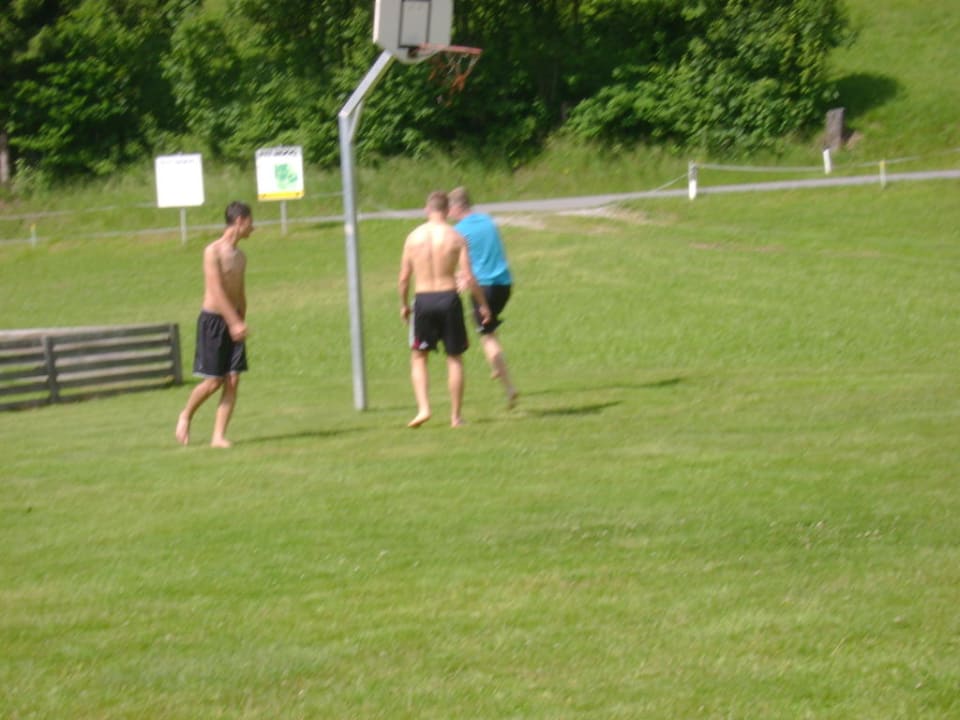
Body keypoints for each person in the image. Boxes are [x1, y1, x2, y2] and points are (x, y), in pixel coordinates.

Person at [399, 191, 491, 428]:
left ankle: (424, 408)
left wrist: (404, 304)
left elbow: (404, 278)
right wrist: (483, 305)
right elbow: (468, 277)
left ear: (426, 209)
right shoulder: (456, 237)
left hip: (423, 299)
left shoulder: (413, 237)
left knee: (419, 357)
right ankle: (455, 416)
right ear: (448, 211)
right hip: (449, 298)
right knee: (454, 357)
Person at [175, 201, 253, 448]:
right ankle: (186, 415)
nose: (253, 227)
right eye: (250, 222)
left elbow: (240, 292)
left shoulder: (241, 257)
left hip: (234, 321)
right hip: (214, 322)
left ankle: (218, 436)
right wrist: (233, 322)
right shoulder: (212, 252)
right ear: (239, 221)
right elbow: (216, 291)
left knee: (233, 379)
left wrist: (241, 320)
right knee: (213, 382)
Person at [447, 186, 518, 408]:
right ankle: (496, 366)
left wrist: (462, 278)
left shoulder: (458, 230)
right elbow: (488, 254)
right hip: (504, 284)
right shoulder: (488, 221)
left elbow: (464, 262)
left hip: (483, 287)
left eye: (450, 208)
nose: (448, 213)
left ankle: (509, 387)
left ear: (457, 207)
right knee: (491, 328)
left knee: (487, 337)